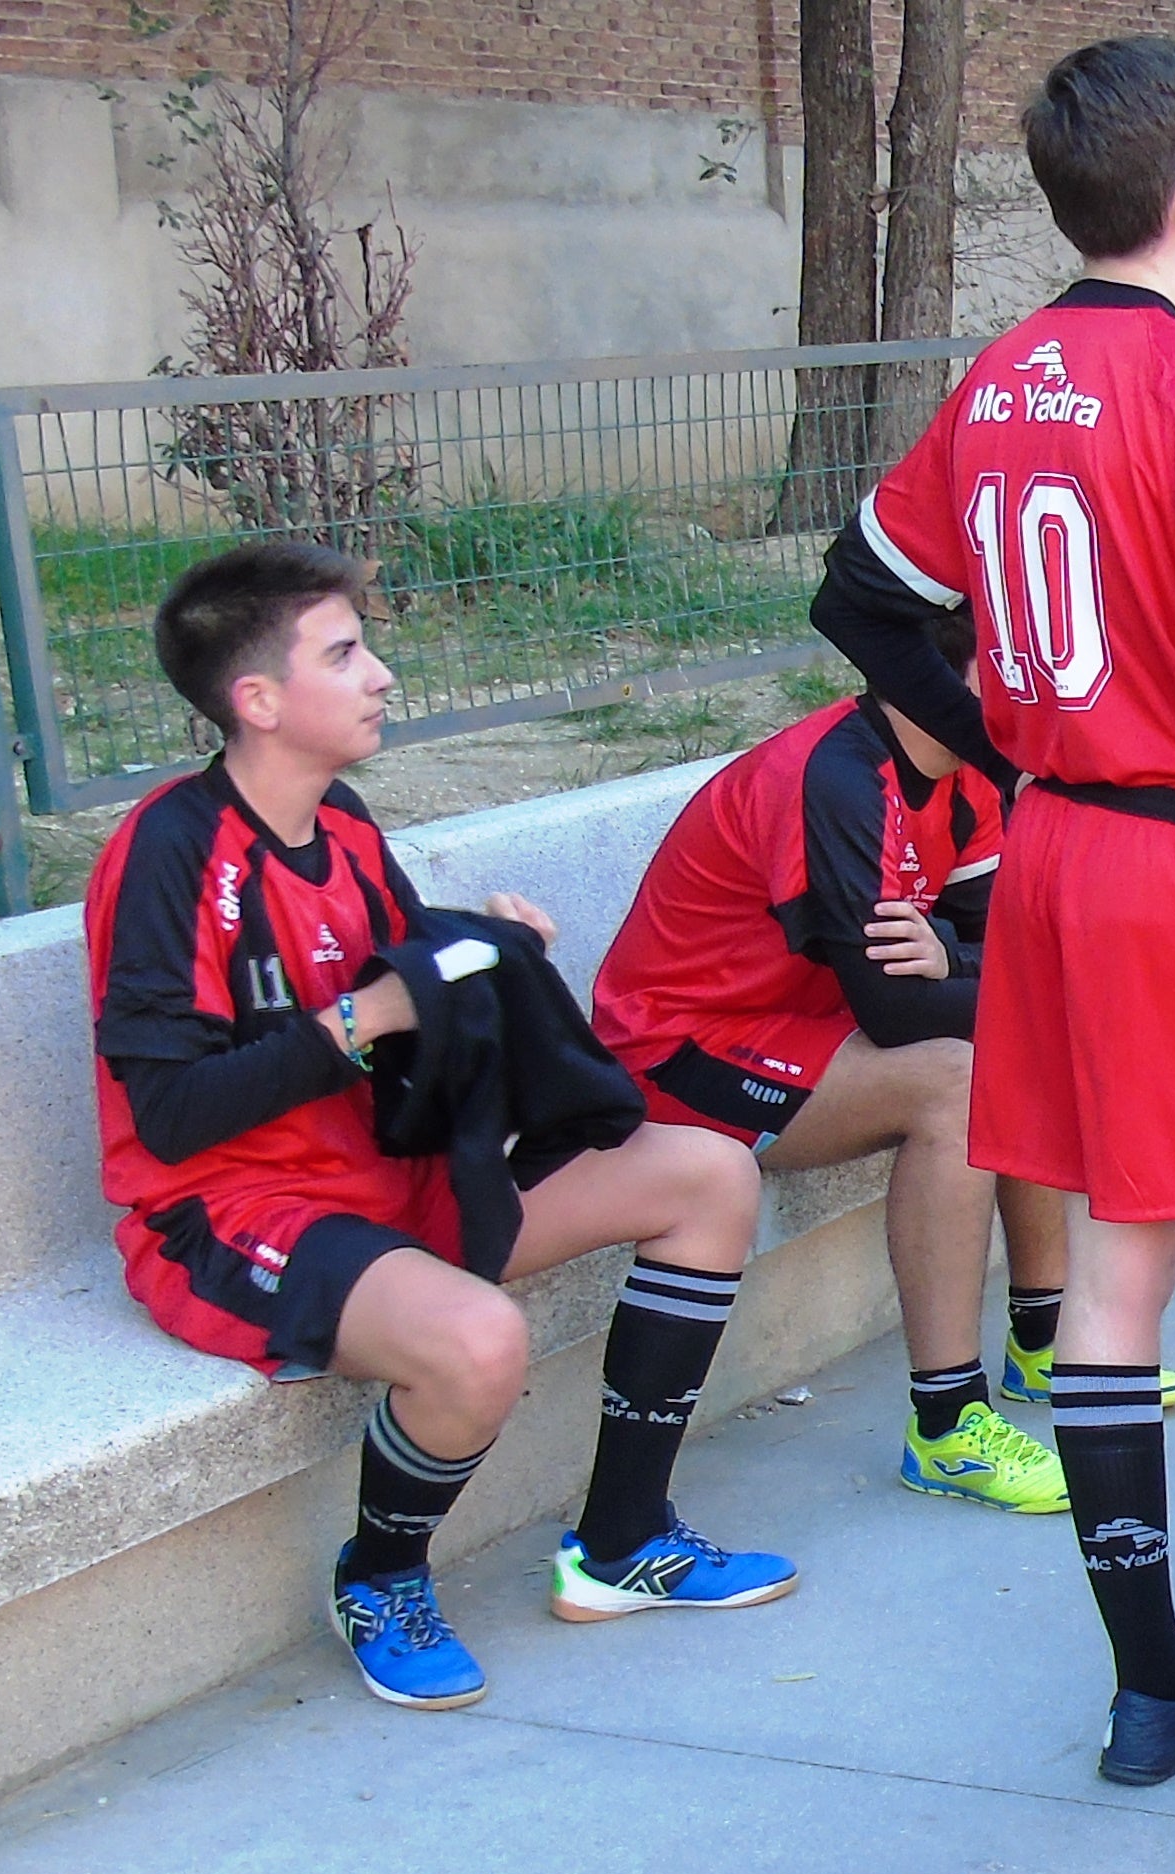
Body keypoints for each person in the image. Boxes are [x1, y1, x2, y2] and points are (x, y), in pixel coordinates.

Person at [810, 36, 1175, 1787]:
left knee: (1122, 1255)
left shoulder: (1002, 375)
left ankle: (1155, 1688)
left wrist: (1014, 740)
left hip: (1059, 859)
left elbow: (859, 596)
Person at [85, 542, 797, 1713]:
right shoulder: (169, 853)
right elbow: (168, 1117)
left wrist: (484, 942)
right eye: (343, 654)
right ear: (258, 699)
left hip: (389, 1171)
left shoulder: (340, 818)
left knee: (708, 1174)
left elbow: (383, 967)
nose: (380, 674)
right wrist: (359, 1021)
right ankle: (379, 1578)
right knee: (478, 1341)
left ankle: (621, 1542)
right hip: (231, 1216)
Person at [591, 607, 1175, 1519]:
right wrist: (1004, 977)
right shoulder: (835, 779)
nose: (1044, 684)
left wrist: (956, 958)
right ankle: (947, 1428)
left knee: (1026, 1031)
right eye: (1013, 663)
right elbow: (900, 1008)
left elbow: (1012, 947)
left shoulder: (969, 767)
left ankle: (1044, 1338)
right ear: (945, 681)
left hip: (802, 1026)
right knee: (961, 1078)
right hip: (678, 1046)